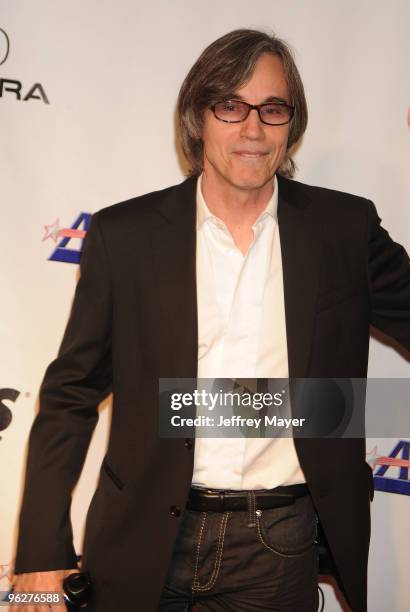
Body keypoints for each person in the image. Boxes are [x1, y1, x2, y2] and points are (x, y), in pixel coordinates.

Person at [11, 28, 410, 612]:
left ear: (291, 124)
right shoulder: (126, 236)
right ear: (198, 117)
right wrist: (41, 548)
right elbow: (71, 392)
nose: (252, 129)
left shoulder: (343, 230)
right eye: (230, 105)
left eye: (271, 109)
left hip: (277, 545)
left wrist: (341, 408)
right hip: (141, 536)